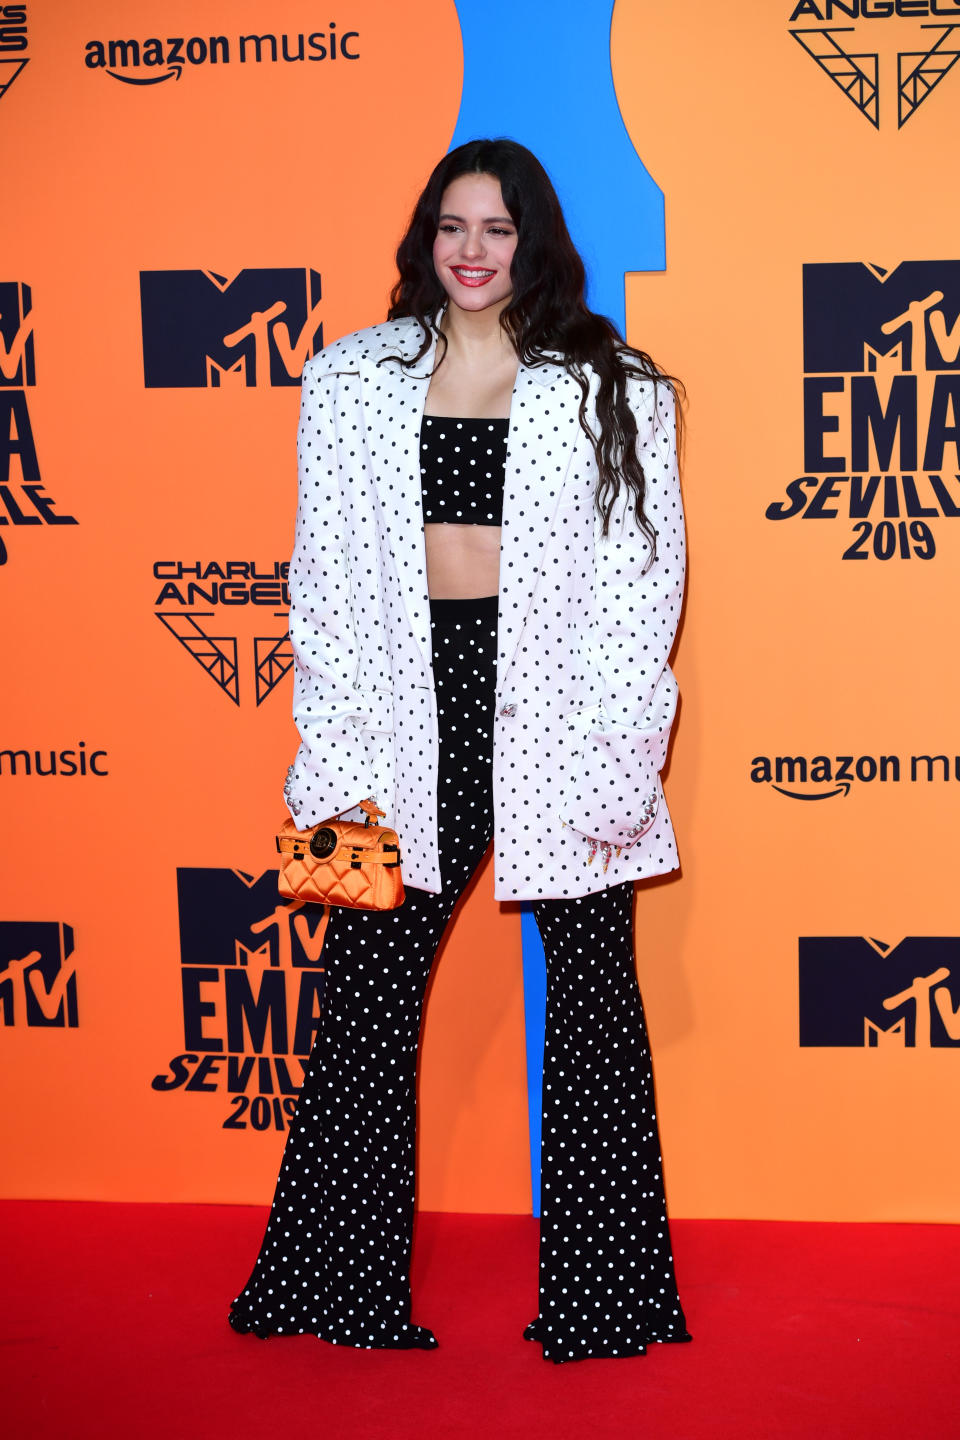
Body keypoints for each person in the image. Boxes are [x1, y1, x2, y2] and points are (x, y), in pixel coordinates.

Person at [229, 138, 690, 1364]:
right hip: (385, 719)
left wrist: (620, 751)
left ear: (534, 239)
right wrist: (324, 751)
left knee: (595, 1011)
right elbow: (317, 581)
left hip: (559, 715)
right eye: (452, 227)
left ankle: (605, 1305)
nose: (472, 251)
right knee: (362, 1010)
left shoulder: (613, 384)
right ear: (424, 240)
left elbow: (644, 585)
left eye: (496, 228)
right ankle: (334, 1289)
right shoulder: (350, 379)